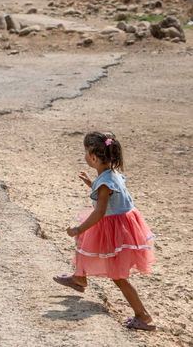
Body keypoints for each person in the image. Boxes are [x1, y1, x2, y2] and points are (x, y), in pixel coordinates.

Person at [53, 132, 156, 331]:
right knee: (84, 243)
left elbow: (100, 212)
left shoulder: (104, 182)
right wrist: (91, 184)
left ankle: (143, 316)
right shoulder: (111, 174)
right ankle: (79, 277)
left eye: (85, 152)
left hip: (115, 229)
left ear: (93, 157)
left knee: (118, 276)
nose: (84, 155)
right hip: (122, 225)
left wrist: (78, 228)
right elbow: (107, 196)